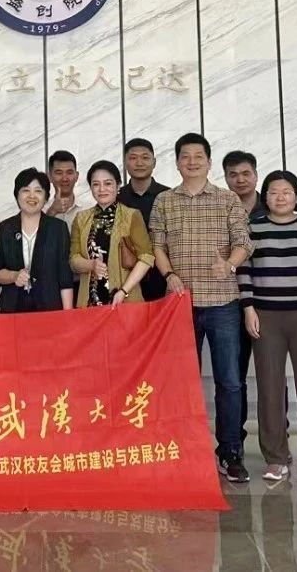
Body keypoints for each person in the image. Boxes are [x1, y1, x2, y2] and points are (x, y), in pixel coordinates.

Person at [150, 133, 254, 481]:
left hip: (223, 302)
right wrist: (169, 275)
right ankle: (185, 449)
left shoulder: (227, 199)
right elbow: (157, 245)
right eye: (186, 156)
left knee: (230, 381)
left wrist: (230, 265)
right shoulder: (165, 201)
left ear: (209, 162)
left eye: (199, 156)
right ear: (177, 162)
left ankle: (230, 451)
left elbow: (244, 243)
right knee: (182, 382)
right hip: (180, 304)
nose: (192, 162)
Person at [238, 170, 297, 483]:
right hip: (266, 316)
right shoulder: (252, 229)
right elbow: (244, 272)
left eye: (287, 192)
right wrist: (248, 309)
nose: (280, 197)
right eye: (274, 192)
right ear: (265, 196)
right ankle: (275, 458)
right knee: (269, 388)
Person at [222, 150, 268, 450]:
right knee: (234, 376)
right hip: (231, 301)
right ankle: (234, 441)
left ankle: (275, 440)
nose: (240, 180)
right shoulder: (220, 208)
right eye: (233, 175)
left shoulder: (273, 206)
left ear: (255, 175)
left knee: (271, 375)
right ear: (226, 178)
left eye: (245, 173)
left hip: (269, 301)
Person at [69, 160, 154, 307]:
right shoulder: (81, 219)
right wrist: (91, 265)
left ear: (118, 185)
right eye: (96, 184)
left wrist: (124, 291)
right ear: (91, 188)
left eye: (108, 183)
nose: (102, 189)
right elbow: (73, 259)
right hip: (89, 302)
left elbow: (146, 257)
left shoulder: (131, 216)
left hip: (124, 299)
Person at [0, 168, 75, 313]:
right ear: (17, 195)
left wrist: (67, 315)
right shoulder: (5, 228)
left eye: (38, 191)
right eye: (25, 190)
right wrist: (14, 276)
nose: (32, 196)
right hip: (13, 309)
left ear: (46, 197)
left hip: (49, 309)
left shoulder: (58, 228)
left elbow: (65, 276)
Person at [117, 137, 169, 301]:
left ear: (154, 162)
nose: (139, 163)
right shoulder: (117, 198)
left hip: (164, 277)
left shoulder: (168, 196)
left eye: (145, 157)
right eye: (133, 158)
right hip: (126, 278)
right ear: (125, 163)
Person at [45, 150, 89, 227]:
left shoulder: (88, 209)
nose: (65, 179)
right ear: (50, 177)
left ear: (76, 176)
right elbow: (37, 234)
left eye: (69, 173)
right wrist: (52, 211)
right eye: (59, 173)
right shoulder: (41, 210)